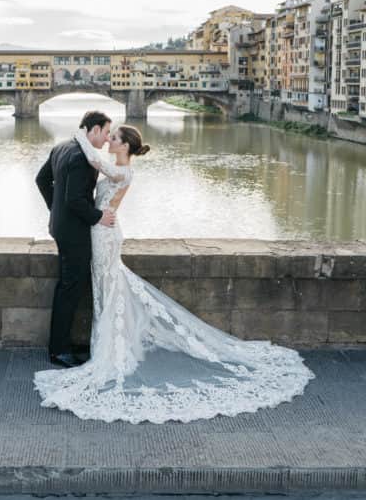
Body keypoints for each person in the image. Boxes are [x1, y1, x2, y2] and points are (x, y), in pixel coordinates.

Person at [33, 120, 314, 423]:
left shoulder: (122, 170)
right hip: (99, 231)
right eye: (107, 134)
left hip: (104, 233)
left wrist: (81, 138)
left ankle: (109, 348)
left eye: (114, 137)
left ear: (125, 146)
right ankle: (105, 344)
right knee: (106, 287)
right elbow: (84, 169)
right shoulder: (103, 161)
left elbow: (92, 161)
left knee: (109, 285)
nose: (109, 140)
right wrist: (82, 139)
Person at [35, 110, 117, 368]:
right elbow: (75, 199)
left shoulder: (62, 146)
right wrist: (98, 217)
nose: (106, 140)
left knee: (67, 286)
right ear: (93, 130)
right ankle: (59, 350)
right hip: (73, 233)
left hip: (60, 227)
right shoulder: (82, 157)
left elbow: (41, 180)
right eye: (105, 133)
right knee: (70, 288)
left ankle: (62, 345)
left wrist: (54, 209)